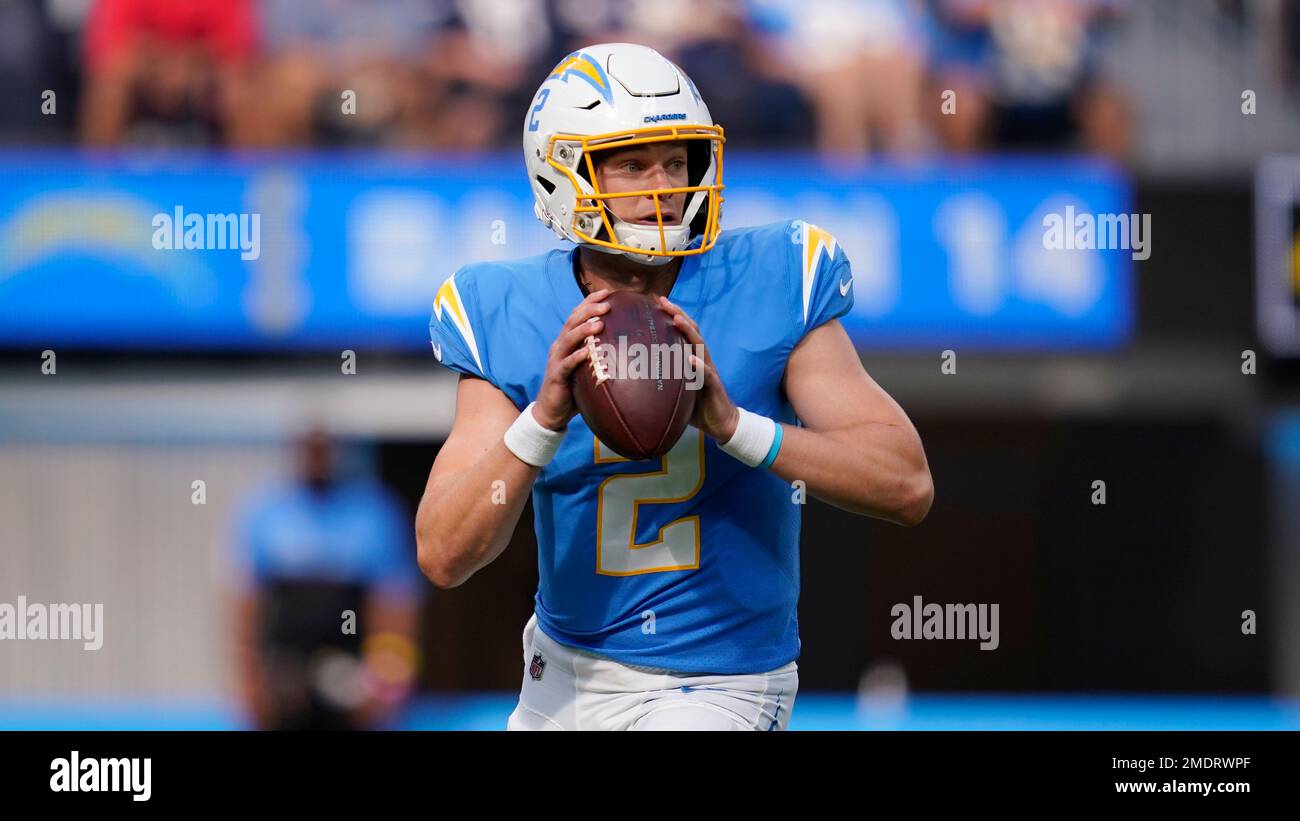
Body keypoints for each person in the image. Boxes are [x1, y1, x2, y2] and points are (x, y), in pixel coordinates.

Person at [418, 43, 932, 730]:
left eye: (676, 159)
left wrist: (733, 425)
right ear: (562, 171)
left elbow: (906, 484)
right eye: (633, 162)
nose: (663, 184)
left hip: (722, 683)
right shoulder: (502, 307)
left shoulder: (771, 276)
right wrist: (542, 418)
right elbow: (444, 554)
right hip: (562, 679)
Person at [231, 428, 421, 730]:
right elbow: (245, 603)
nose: (316, 458)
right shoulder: (265, 512)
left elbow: (396, 605)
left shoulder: (375, 514)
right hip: (285, 680)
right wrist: (250, 682)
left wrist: (387, 683)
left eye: (324, 448)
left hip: (348, 678)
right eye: (309, 448)